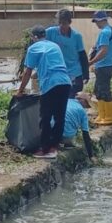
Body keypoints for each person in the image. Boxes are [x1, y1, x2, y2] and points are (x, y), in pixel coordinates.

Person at [17, 25, 72, 159]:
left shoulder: (33, 48)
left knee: (45, 117)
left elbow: (27, 72)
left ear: (34, 37)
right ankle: (54, 146)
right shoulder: (54, 46)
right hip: (65, 82)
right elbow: (51, 65)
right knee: (59, 116)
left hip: (50, 84)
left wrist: (20, 90)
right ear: (45, 36)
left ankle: (45, 149)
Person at [46, 9, 90, 97]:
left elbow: (82, 56)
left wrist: (86, 74)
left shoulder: (76, 36)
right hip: (58, 72)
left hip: (74, 73)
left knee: (73, 99)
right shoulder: (50, 32)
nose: (62, 26)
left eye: (64, 23)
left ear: (69, 22)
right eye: (60, 23)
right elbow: (39, 41)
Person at [88, 10, 112, 126]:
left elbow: (103, 51)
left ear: (101, 20)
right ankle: (102, 115)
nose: (96, 24)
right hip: (105, 65)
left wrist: (91, 62)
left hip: (104, 65)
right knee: (98, 91)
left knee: (104, 91)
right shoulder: (111, 31)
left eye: (96, 21)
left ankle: (109, 116)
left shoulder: (105, 33)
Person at [61, 92, 95, 158]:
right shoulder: (82, 111)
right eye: (86, 105)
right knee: (75, 129)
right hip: (65, 137)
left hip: (51, 133)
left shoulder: (66, 101)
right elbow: (85, 135)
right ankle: (66, 144)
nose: (85, 107)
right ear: (83, 101)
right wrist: (91, 156)